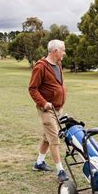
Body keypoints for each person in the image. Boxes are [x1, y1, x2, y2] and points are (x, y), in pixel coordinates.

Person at [28, 39, 68, 182]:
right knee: (54, 138)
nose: (64, 52)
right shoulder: (40, 67)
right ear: (55, 51)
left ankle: (39, 163)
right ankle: (60, 171)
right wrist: (44, 103)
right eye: (63, 49)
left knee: (47, 136)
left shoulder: (58, 63)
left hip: (58, 108)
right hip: (46, 110)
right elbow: (32, 89)